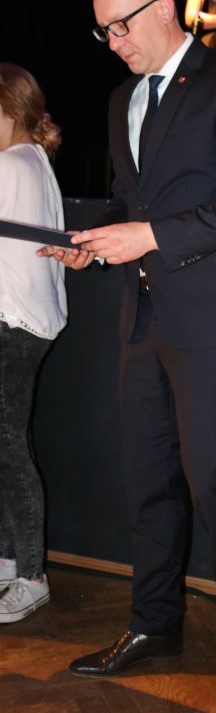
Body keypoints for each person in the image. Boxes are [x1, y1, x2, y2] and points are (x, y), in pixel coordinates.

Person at [38, 0, 216, 709]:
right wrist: (95, 243)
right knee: (147, 479)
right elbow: (130, 202)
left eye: (122, 26)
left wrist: (148, 236)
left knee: (215, 479)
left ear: (165, 8)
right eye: (103, 31)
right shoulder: (122, 100)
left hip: (213, 317)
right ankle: (154, 625)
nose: (113, 43)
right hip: (143, 313)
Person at [0, 64, 67, 623]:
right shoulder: (34, 161)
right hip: (29, 320)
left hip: (12, 321)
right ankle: (9, 561)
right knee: (6, 446)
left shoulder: (11, 164)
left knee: (9, 448)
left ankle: (30, 575)